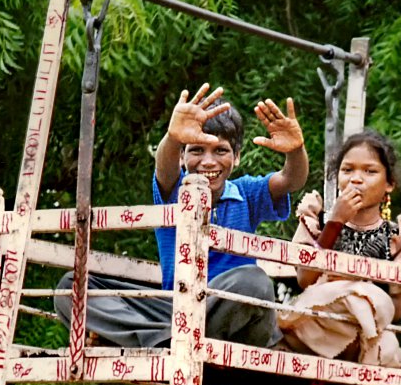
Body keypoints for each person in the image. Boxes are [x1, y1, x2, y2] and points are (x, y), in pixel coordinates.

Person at [54, 82, 308, 349]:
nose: (208, 161)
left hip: (233, 317)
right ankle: (162, 338)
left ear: (237, 157)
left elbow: (291, 179)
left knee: (254, 282)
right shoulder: (175, 190)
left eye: (220, 151)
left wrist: (295, 151)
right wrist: (173, 138)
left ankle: (159, 337)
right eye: (196, 150)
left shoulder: (247, 194)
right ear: (182, 158)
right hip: (176, 310)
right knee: (71, 286)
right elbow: (163, 169)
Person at [278, 129, 401, 365]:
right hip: (319, 325)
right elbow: (305, 279)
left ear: (389, 184)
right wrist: (335, 222)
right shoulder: (320, 222)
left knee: (385, 343)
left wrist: (387, 289)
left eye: (370, 171)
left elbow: (395, 310)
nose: (356, 179)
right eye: (347, 170)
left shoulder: (397, 236)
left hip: (366, 333)